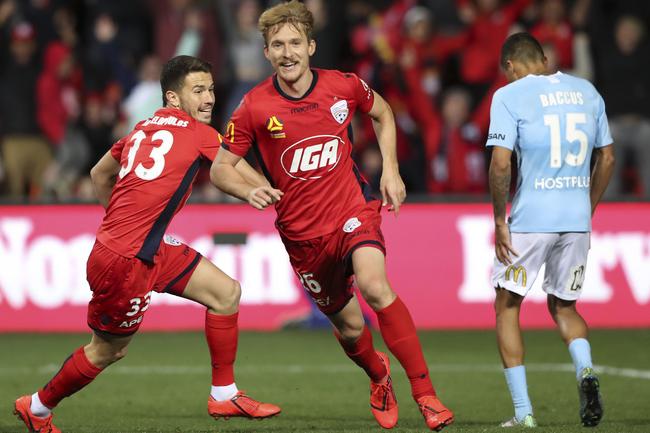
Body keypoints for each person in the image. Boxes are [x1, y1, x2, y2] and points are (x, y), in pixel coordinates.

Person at [210, 1, 454, 431]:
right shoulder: (253, 106)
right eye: (277, 45)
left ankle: (426, 394)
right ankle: (379, 377)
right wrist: (250, 189)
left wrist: (391, 170)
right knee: (350, 327)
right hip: (303, 236)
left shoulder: (341, 86)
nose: (287, 53)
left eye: (295, 43)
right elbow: (220, 168)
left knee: (376, 288)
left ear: (311, 46)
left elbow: (383, 112)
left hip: (352, 210)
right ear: (266, 52)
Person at [13, 55, 281, 433]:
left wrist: (118, 219)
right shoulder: (198, 133)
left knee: (226, 293)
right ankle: (37, 408)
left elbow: (99, 172)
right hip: (124, 261)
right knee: (108, 350)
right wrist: (270, 193)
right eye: (198, 90)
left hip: (144, 247)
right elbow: (228, 169)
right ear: (173, 97)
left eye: (211, 89)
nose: (209, 99)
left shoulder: (143, 128)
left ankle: (223, 394)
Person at [486, 32, 615, 427]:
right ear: (543, 59)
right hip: (575, 221)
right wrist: (586, 208)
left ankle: (524, 413)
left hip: (530, 221)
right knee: (565, 306)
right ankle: (585, 369)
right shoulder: (587, 91)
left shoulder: (508, 96)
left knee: (507, 306)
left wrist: (498, 219)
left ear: (510, 66)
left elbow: (501, 164)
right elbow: (607, 158)